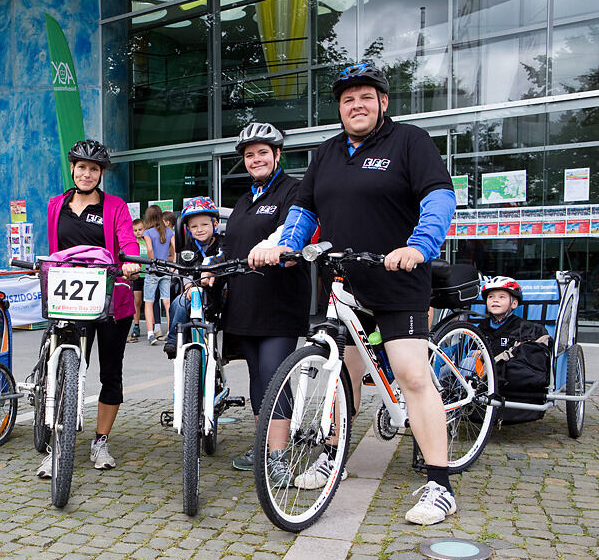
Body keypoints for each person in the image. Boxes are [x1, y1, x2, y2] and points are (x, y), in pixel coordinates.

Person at [261, 63, 459, 525]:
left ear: (383, 102)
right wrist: (287, 245)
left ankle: (440, 484)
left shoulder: (409, 141)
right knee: (341, 372)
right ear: (340, 108)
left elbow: (439, 197)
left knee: (412, 375)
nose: (357, 105)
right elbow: (304, 209)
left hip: (398, 279)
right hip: (345, 282)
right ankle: (334, 458)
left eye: (366, 97)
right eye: (348, 99)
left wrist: (418, 246)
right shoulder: (327, 153)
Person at [204, 124, 311, 473]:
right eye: (250, 155)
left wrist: (277, 250)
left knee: (273, 375)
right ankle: (265, 446)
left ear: (277, 154)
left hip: (279, 301)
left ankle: (279, 458)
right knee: (255, 377)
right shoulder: (245, 200)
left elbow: (293, 234)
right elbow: (230, 248)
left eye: (263, 152)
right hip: (244, 305)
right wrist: (211, 269)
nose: (256, 159)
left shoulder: (293, 191)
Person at [39, 139, 141, 478]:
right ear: (72, 168)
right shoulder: (57, 205)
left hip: (111, 299)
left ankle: (100, 440)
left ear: (101, 173)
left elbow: (126, 241)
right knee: (66, 369)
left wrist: (129, 262)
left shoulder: (114, 206)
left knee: (110, 371)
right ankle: (57, 443)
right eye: (81, 167)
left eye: (93, 168)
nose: (86, 173)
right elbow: (55, 249)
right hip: (69, 297)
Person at [476, 277, 551, 423]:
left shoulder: (523, 328)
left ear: (514, 303)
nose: (495, 300)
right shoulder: (481, 327)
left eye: (502, 297)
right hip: (481, 374)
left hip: (507, 379)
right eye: (491, 297)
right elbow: (471, 351)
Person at [163, 197, 224, 360]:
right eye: (194, 226)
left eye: (204, 224)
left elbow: (223, 260)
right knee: (178, 303)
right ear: (188, 229)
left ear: (215, 224)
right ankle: (173, 339)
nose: (200, 229)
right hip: (192, 292)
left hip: (215, 293)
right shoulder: (188, 247)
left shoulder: (221, 244)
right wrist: (189, 285)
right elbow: (184, 270)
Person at [143, 205, 175, 345]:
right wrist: (172, 263)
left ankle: (151, 333)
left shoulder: (148, 232)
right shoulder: (169, 232)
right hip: (166, 269)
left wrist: (152, 261)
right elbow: (174, 249)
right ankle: (170, 331)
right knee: (167, 302)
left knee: (149, 302)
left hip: (153, 270)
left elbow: (149, 248)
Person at [127, 217, 147, 343]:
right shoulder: (133, 243)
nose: (138, 232)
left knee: (151, 302)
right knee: (137, 301)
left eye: (140, 229)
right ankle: (136, 325)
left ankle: (154, 327)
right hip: (138, 275)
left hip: (148, 274)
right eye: (135, 230)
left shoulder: (147, 241)